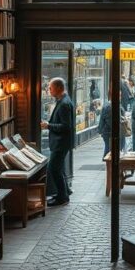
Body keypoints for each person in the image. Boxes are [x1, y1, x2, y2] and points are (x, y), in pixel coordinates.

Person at [40, 78, 74, 207]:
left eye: (51, 88)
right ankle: (65, 191)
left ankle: (62, 197)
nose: (49, 90)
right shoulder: (63, 100)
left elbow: (66, 126)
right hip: (60, 142)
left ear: (59, 88)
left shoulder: (64, 104)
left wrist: (48, 125)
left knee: (53, 168)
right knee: (58, 168)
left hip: (61, 143)